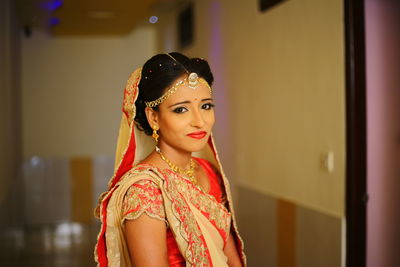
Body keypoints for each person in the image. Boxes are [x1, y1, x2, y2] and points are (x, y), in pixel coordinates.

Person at [94, 52, 246, 266]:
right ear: (154, 117)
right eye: (181, 109)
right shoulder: (145, 190)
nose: (199, 121)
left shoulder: (208, 170)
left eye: (206, 106)